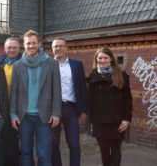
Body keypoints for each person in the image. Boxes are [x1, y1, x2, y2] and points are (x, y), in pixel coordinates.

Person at [10, 30, 61, 166]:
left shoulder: (52, 64)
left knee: (43, 154)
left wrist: (56, 113)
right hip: (24, 117)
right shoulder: (17, 66)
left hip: (44, 117)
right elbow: (14, 91)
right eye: (28, 43)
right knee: (26, 152)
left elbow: (57, 90)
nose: (31, 46)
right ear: (24, 45)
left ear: (39, 44)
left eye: (34, 43)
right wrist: (13, 113)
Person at [88, 47, 132, 166]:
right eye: (100, 58)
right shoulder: (92, 77)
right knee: (104, 152)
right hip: (99, 122)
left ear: (111, 59)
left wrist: (127, 119)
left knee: (116, 150)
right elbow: (90, 102)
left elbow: (128, 99)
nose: (102, 60)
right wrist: (91, 122)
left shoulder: (122, 75)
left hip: (117, 121)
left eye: (105, 58)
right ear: (96, 59)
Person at [51, 38, 89, 166]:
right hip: (53, 109)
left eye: (61, 46)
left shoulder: (76, 65)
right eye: (55, 46)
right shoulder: (47, 65)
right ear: (52, 49)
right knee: (53, 143)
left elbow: (83, 88)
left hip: (70, 109)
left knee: (73, 143)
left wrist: (84, 110)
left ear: (66, 48)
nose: (58, 49)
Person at [0, 37, 22, 166]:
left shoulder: (24, 63)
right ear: (5, 49)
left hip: (17, 108)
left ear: (19, 49)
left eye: (14, 47)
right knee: (0, 139)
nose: (11, 50)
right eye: (9, 47)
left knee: (13, 140)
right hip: (1, 108)